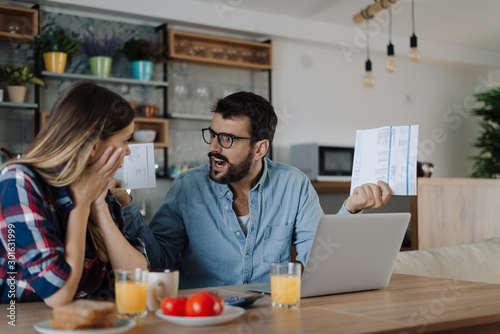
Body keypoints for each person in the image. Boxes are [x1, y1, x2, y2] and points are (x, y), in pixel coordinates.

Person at [116, 91, 390, 289]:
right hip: (205, 316)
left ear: (260, 148)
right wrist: (126, 202)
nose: (213, 147)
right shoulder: (188, 187)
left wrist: (351, 209)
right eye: (212, 135)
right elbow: (158, 259)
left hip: (269, 315)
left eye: (227, 139)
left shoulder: (293, 185)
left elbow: (319, 260)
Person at [0, 82, 148, 306]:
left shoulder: (101, 193)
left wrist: (98, 207)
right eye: (125, 140)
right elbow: (58, 294)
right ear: (93, 146)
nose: (128, 150)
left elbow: (138, 278)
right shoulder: (18, 181)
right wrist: (81, 207)